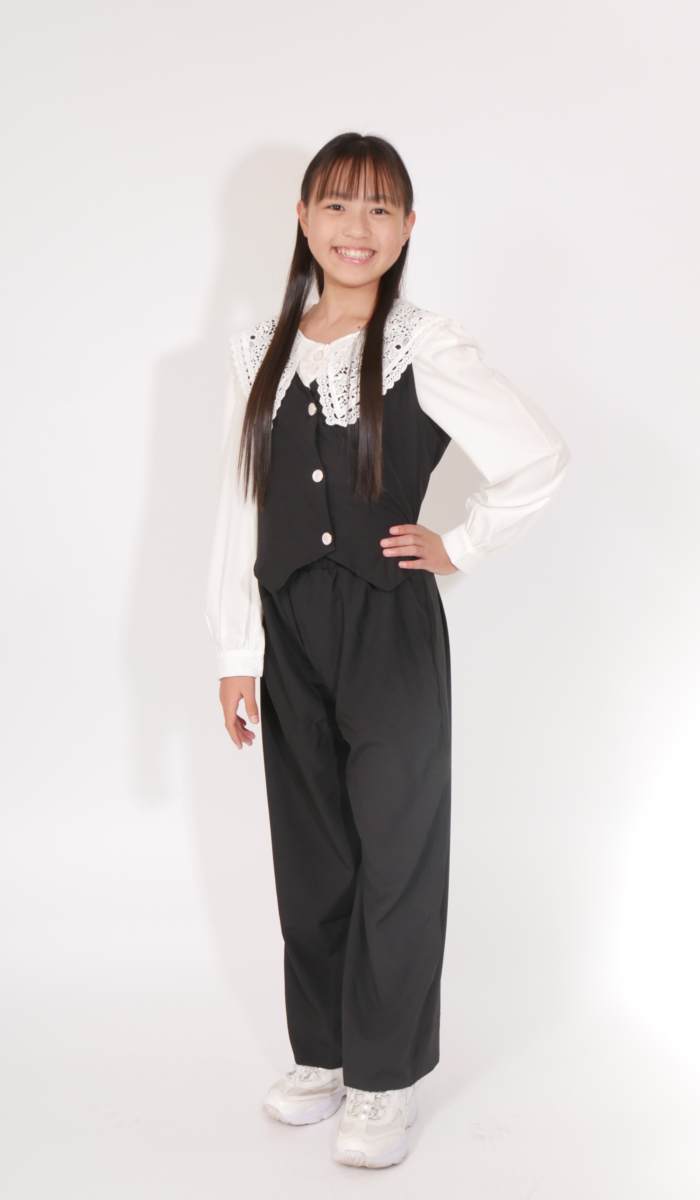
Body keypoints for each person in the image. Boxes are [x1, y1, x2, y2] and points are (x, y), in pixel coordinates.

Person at [205, 132, 569, 1170]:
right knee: (311, 851)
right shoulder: (260, 350)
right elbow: (237, 503)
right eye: (335, 205)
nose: (355, 228)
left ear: (407, 228)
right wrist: (235, 648)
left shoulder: (424, 346)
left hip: (388, 631)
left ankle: (382, 1078)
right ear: (302, 218)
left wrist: (460, 544)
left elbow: (537, 456)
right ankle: (321, 1054)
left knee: (397, 852)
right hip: (289, 632)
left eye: (378, 209)